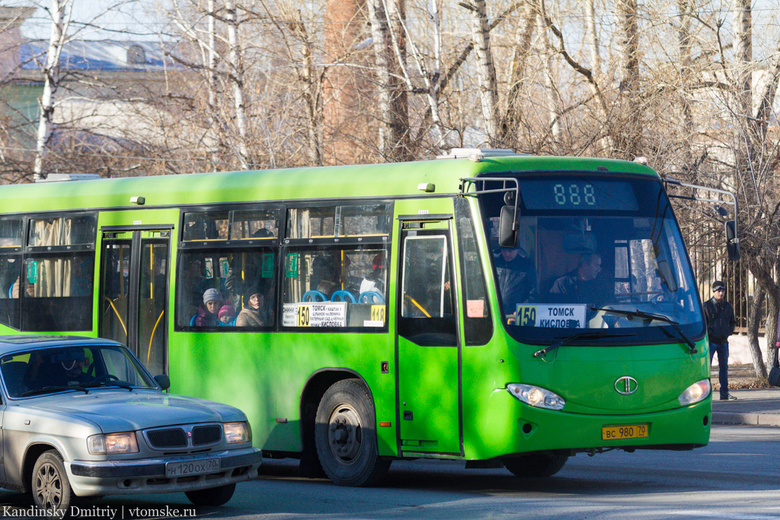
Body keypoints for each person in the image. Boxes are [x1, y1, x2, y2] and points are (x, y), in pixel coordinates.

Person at [704, 280, 737, 400]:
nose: (721, 293)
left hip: (723, 342)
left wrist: (727, 332)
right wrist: (710, 334)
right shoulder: (706, 306)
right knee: (707, 368)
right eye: (719, 291)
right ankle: (705, 394)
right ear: (713, 291)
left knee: (724, 368)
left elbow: (733, 322)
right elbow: (704, 324)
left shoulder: (727, 306)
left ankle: (724, 393)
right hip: (711, 342)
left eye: (723, 291)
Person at [493, 245, 536, 313]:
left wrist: (521, 311)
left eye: (510, 251)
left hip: (515, 315)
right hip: (494, 312)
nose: (507, 254)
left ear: (517, 249)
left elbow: (533, 293)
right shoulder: (492, 263)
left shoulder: (526, 266)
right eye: (504, 250)